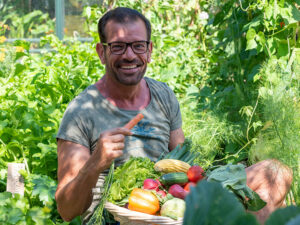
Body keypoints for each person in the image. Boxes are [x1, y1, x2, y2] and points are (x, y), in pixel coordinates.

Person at [55, 7, 292, 225]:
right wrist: (96, 162)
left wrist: (213, 181)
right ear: (102, 52)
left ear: (149, 50)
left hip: (165, 205)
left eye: (138, 45)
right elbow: (66, 210)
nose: (129, 55)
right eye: (118, 46)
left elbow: (184, 166)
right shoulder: (81, 112)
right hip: (120, 216)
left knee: (275, 173)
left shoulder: (162, 95)